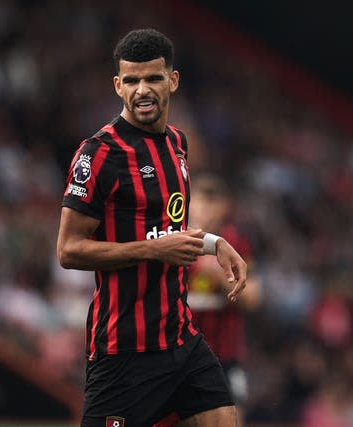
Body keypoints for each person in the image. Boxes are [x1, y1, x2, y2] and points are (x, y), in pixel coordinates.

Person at [57, 29, 247, 427]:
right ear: (117, 86)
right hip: (124, 349)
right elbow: (69, 250)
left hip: (181, 337)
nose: (142, 89)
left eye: (153, 78)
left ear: (172, 81)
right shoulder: (99, 154)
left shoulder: (177, 143)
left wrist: (213, 243)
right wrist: (152, 251)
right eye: (131, 80)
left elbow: (165, 226)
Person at [187, 174, 262, 424]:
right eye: (200, 201)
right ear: (189, 203)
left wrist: (222, 277)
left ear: (224, 207)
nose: (205, 209)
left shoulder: (236, 242)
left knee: (232, 419)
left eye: (212, 202)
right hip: (180, 353)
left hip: (223, 355)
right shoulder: (177, 239)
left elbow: (253, 298)